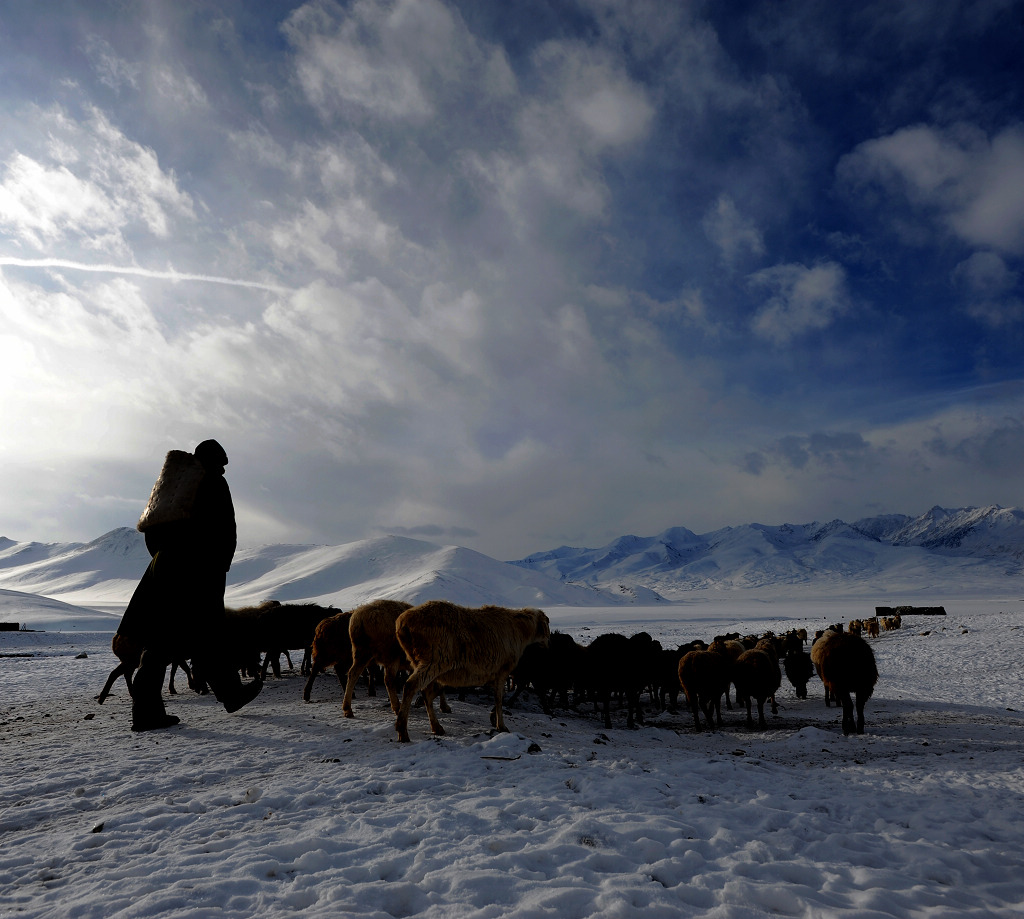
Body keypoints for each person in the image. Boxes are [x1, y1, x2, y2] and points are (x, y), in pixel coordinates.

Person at [118, 439, 262, 731]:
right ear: (213, 461)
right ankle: (229, 695)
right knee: (205, 634)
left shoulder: (174, 487)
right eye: (221, 462)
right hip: (198, 574)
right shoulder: (213, 484)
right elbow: (224, 531)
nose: (223, 468)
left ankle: (150, 711)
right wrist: (216, 566)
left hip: (165, 570)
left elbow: (151, 531)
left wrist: (167, 560)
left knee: (169, 640)